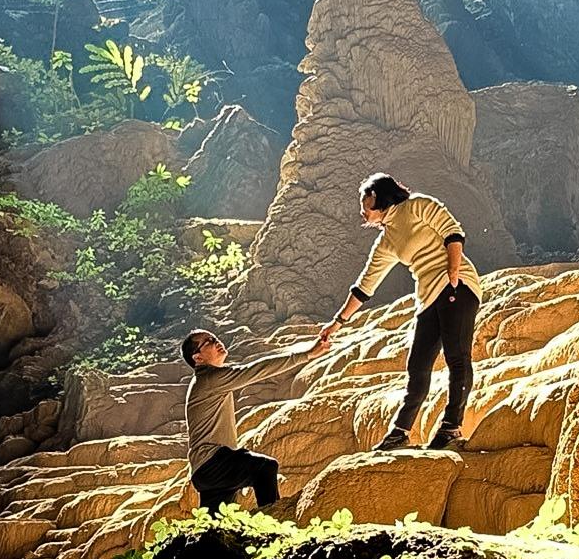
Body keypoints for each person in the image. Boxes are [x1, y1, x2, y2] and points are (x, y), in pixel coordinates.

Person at [312, 172, 482, 450]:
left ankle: (451, 427)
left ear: (377, 197)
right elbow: (365, 286)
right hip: (428, 298)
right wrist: (337, 323)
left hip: (457, 286)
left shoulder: (417, 205)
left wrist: (453, 274)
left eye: (364, 202)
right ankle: (400, 432)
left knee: (457, 356)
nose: (361, 210)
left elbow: (453, 232)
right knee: (417, 365)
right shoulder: (387, 240)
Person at [180, 329, 298, 510]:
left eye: (215, 337)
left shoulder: (206, 380)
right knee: (265, 467)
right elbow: (257, 370)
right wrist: (307, 354)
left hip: (203, 471)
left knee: (217, 527)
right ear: (197, 358)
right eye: (209, 341)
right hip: (213, 462)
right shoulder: (210, 378)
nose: (217, 341)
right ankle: (272, 526)